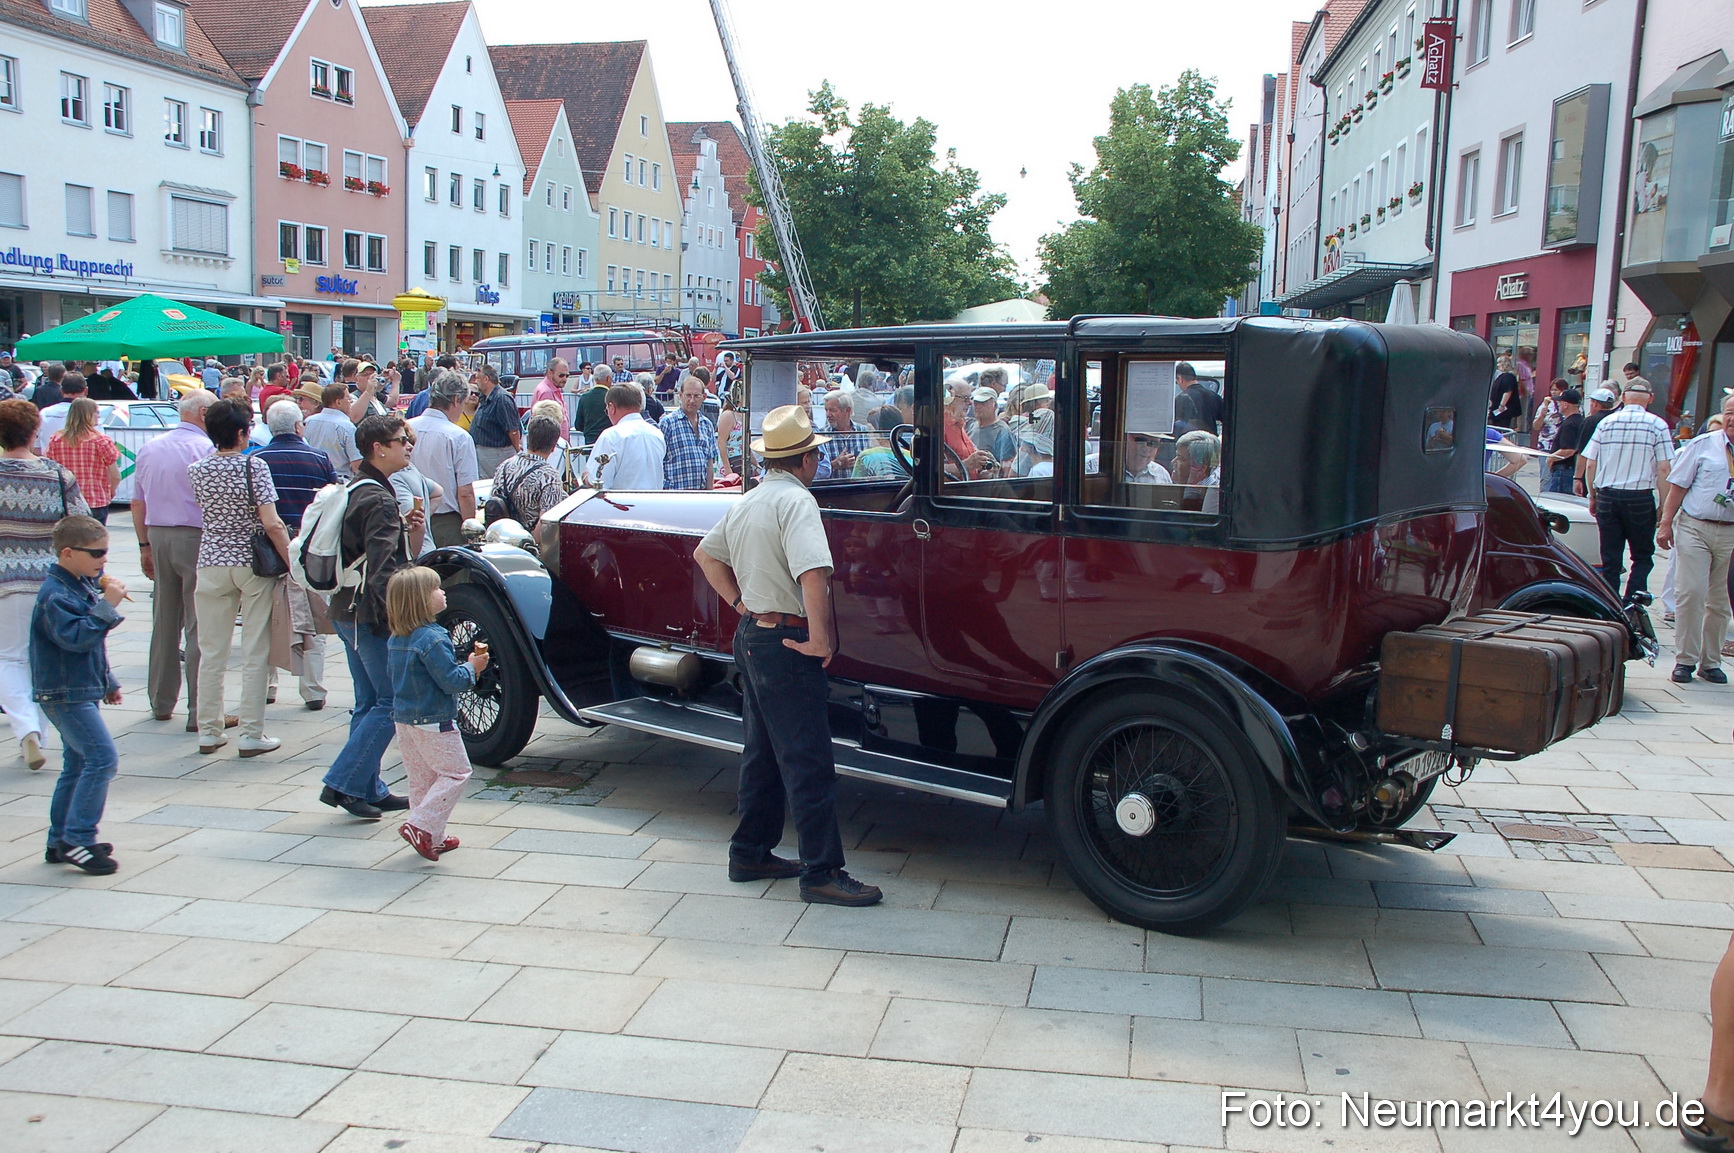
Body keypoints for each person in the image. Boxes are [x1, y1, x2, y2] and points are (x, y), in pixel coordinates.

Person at [692, 403, 882, 907]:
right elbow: (813, 573)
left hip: (754, 634)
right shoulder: (798, 503)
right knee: (808, 759)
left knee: (763, 753)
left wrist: (739, 603)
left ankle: (750, 850)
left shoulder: (750, 499)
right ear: (807, 460)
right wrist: (820, 639)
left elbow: (706, 556)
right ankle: (821, 870)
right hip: (786, 639)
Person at [320, 413, 421, 820]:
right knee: (391, 701)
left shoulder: (361, 486)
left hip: (346, 610)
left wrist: (399, 523)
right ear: (379, 448)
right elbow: (382, 572)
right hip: (367, 616)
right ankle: (343, 782)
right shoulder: (379, 497)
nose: (408, 446)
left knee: (368, 702)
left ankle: (368, 786)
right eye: (401, 440)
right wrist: (395, 621)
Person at [187, 399, 291, 757]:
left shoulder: (197, 470)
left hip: (210, 560)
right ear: (242, 432)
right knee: (255, 650)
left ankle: (209, 730)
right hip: (251, 561)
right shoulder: (254, 466)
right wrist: (291, 557)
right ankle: (250, 732)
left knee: (211, 651)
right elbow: (271, 521)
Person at [132, 390, 236, 733]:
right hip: (196, 536)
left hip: (159, 533)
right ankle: (200, 710)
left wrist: (144, 544)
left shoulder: (151, 447)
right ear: (203, 413)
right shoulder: (204, 449)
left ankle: (161, 701)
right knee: (199, 624)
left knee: (164, 619)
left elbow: (138, 502)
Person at [32, 514, 127, 875]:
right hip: (64, 692)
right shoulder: (55, 594)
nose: (103, 560)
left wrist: (108, 680)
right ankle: (78, 839)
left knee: (76, 764)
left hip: (78, 687)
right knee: (102, 759)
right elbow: (77, 638)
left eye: (106, 552)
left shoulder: (78, 584)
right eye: (97, 553)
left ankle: (60, 839)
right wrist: (108, 606)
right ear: (68, 553)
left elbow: (91, 648)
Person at [0, 400, 91, 772]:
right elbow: (83, 524)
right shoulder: (57, 476)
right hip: (50, 580)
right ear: (35, 431)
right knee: (43, 659)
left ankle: (27, 730)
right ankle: (39, 728)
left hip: (6, 579)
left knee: (9, 658)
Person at [385, 566, 487, 860]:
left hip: (404, 719)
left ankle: (433, 835)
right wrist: (473, 667)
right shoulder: (433, 639)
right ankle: (420, 825)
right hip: (434, 720)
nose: (442, 592)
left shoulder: (397, 638)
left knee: (421, 778)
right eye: (436, 589)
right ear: (422, 600)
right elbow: (451, 682)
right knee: (456, 773)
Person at [256, 399, 339, 710]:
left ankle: (267, 686)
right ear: (298, 426)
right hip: (309, 548)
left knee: (265, 620)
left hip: (266, 552)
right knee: (314, 621)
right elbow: (333, 502)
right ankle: (313, 689)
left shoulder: (257, 460)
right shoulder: (318, 458)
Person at [1657, 394, 1734, 684]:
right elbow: (1677, 487)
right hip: (1695, 526)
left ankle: (1710, 662)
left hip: (1731, 532)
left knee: (1720, 600)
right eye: (1728, 413)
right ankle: (1685, 660)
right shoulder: (1703, 445)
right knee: (1691, 592)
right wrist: (1665, 525)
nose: (1731, 419)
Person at [1582, 379, 1674, 603]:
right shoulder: (1657, 424)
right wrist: (1663, 504)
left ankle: (1610, 602)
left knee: (1610, 556)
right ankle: (1634, 601)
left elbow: (1590, 463)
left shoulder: (1606, 423)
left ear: (1623, 397)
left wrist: (1592, 495)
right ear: (1650, 399)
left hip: (1608, 494)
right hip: (1639, 496)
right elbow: (1664, 467)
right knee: (1642, 555)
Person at [408, 370, 480, 546]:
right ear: (456, 400)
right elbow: (465, 493)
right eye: (463, 403)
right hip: (446, 523)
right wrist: (471, 532)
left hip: (409, 517)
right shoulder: (459, 437)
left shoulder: (406, 428)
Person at [45, 399, 120, 523]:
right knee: (94, 540)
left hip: (65, 500)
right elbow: (115, 475)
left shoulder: (56, 439)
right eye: (96, 412)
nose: (99, 415)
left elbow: (50, 469)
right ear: (87, 415)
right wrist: (111, 490)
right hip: (95, 499)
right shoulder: (101, 441)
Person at [584, 382, 666, 490]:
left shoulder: (611, 436)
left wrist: (585, 476)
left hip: (621, 504)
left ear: (611, 407)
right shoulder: (657, 434)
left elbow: (598, 482)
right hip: (652, 504)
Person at [492, 415, 567, 523]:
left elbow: (494, 503)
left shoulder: (504, 466)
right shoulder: (549, 477)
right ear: (553, 447)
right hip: (528, 538)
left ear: (528, 438)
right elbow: (546, 524)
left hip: (500, 534)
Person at [659, 376, 718, 490]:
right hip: (675, 495)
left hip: (701, 496)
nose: (692, 400)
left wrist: (710, 493)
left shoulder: (707, 425)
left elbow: (709, 462)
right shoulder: (668, 423)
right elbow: (657, 461)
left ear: (704, 397)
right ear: (680, 395)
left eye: (696, 396)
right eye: (688, 395)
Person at [468, 362, 521, 477]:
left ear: (486, 379)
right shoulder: (484, 398)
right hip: (484, 456)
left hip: (497, 456)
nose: (475, 382)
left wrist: (517, 449)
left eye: (477, 378)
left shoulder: (502, 399)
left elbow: (513, 429)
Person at [303, 383, 361, 474]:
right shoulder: (347, 427)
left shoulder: (308, 421)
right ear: (338, 402)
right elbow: (357, 464)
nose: (351, 401)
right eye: (348, 398)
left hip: (312, 477)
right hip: (340, 481)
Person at [1572, 388, 1620, 495]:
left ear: (1595, 403)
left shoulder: (1591, 421)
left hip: (1592, 473)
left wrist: (1577, 478)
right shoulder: (1616, 420)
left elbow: (1582, 452)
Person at [1541, 388, 1584, 494]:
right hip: (1572, 469)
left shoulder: (1568, 424)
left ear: (1565, 404)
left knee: (1558, 501)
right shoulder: (1582, 421)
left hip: (1564, 471)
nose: (1558, 404)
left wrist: (1551, 458)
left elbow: (1568, 450)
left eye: (1559, 402)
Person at [34, 370, 87, 450]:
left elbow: (37, 447)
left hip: (48, 460)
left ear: (61, 391)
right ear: (86, 391)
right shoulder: (91, 414)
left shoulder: (45, 413)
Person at [967, 387, 1016, 466]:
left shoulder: (1002, 431)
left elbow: (1007, 464)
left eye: (983, 403)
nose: (978, 406)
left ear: (995, 405)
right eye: (976, 403)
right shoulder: (970, 425)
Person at [531, 357, 572, 440]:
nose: (565, 379)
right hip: (553, 445)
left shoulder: (554, 389)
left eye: (567, 375)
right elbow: (546, 427)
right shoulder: (546, 392)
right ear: (550, 373)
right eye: (561, 375)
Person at [1175, 362, 1222, 434]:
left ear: (1180, 379)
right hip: (1211, 441)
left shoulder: (1181, 398)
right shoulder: (1214, 396)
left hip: (1189, 441)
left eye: (1176, 382)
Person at [716, 380, 745, 479]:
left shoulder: (745, 415)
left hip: (742, 462)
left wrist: (756, 466)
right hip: (730, 462)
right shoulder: (728, 415)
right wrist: (727, 468)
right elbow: (721, 442)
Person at [1488, 355, 1521, 431]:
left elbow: (1508, 391)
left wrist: (1502, 405)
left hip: (1503, 411)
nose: (1497, 365)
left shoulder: (1509, 377)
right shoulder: (1501, 376)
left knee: (1502, 427)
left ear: (1505, 364)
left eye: (1499, 362)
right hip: (1496, 410)